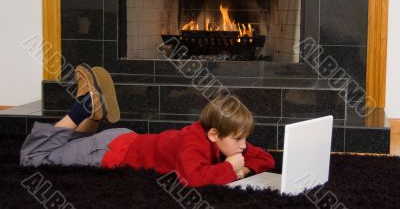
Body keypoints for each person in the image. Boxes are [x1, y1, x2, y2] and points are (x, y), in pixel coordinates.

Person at [20, 64, 275, 187]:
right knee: (33, 158)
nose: (243, 146)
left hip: (124, 139)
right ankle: (84, 107)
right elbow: (192, 178)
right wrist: (230, 168)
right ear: (213, 134)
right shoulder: (193, 142)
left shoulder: (224, 136)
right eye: (239, 140)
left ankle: (92, 114)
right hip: (110, 152)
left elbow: (266, 159)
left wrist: (242, 170)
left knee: (69, 146)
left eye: (244, 139)